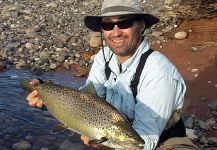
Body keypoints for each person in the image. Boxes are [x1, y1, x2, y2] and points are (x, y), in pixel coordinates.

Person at [26, 0, 187, 149]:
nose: (116, 32)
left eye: (124, 23)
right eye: (108, 25)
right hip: (115, 134)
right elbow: (86, 101)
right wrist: (47, 97)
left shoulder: (159, 74)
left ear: (142, 25)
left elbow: (146, 142)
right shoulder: (104, 57)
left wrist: (101, 140)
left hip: (161, 142)